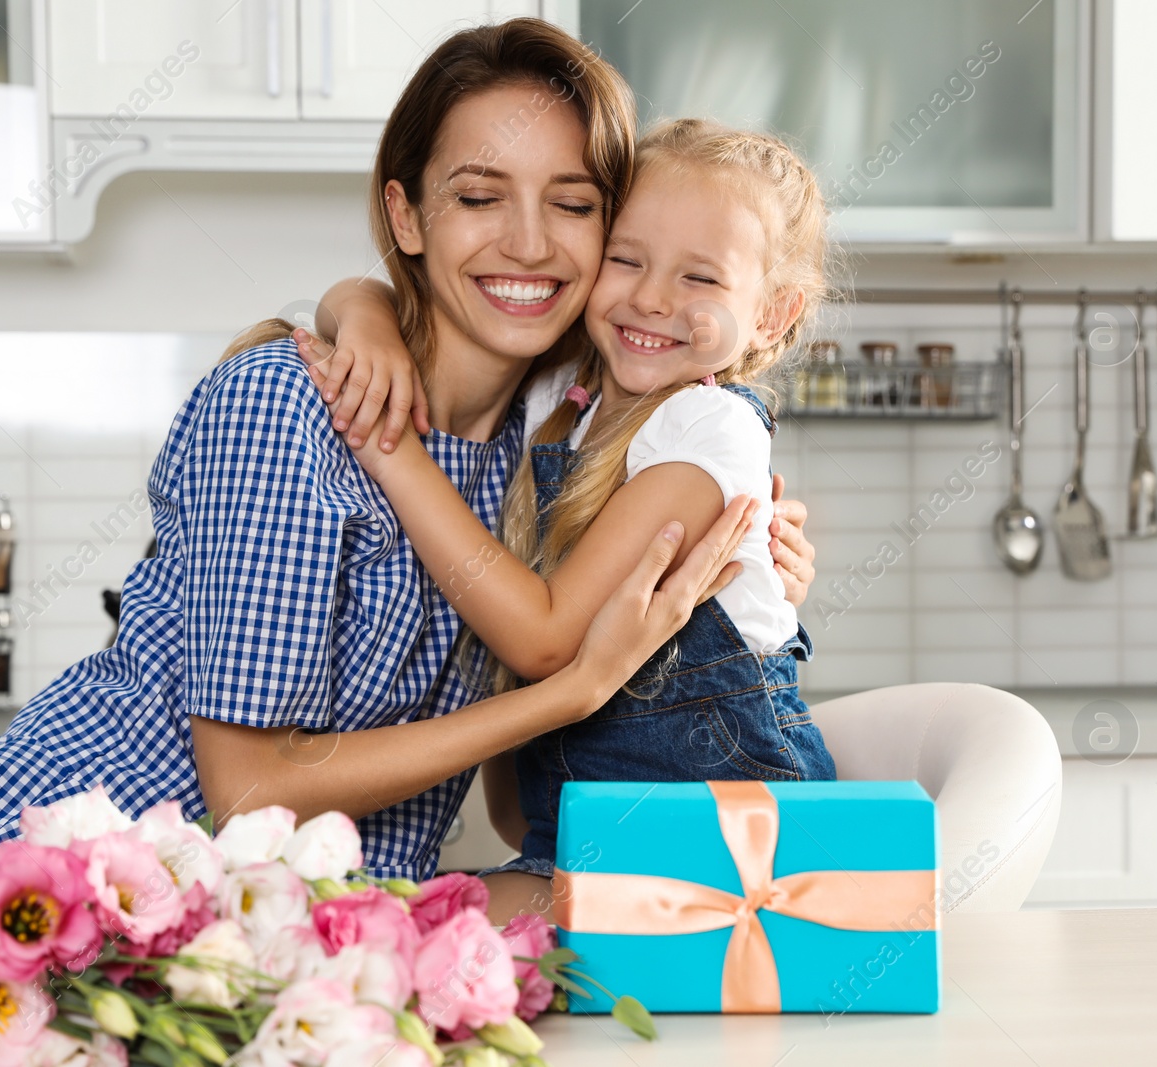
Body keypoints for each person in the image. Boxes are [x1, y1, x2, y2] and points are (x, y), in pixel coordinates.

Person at [0, 19, 817, 896]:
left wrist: (744, 585)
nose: (528, 242)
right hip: (33, 880)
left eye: (572, 204)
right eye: (478, 196)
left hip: (265, 929)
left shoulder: (547, 432)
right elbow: (252, 789)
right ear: (406, 218)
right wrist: (572, 687)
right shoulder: (289, 409)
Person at [298, 118, 836, 919]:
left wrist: (386, 445)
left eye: (701, 279)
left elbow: (546, 636)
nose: (651, 297)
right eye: (627, 258)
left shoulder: (711, 431)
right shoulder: (567, 402)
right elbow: (353, 295)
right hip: (585, 838)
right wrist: (364, 312)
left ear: (771, 314)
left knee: (393, 939)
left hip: (735, 846)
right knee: (382, 937)